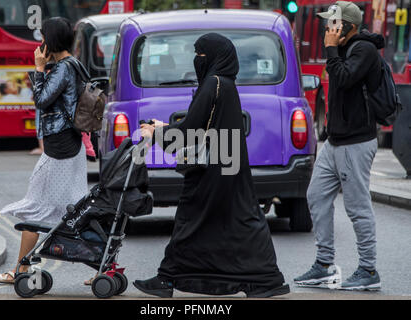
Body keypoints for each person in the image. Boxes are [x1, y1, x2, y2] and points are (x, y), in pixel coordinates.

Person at [134, 33, 289, 298]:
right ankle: (264, 278)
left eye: (201, 55)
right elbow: (203, 125)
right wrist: (165, 127)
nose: (197, 60)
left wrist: (155, 134)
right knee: (238, 220)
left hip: (210, 170)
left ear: (214, 57)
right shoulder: (226, 84)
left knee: (191, 220)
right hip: (227, 164)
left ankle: (168, 278)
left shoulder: (212, 84)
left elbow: (191, 129)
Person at [0, 17, 88, 284]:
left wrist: (38, 68)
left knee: (35, 211)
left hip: (59, 149)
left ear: (52, 40)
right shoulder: (74, 65)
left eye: (43, 37)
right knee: (74, 208)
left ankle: (21, 271)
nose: (40, 43)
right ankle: (104, 266)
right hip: (70, 145)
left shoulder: (63, 68)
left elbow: (42, 101)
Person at [294, 1, 383, 291]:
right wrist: (334, 50)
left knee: (357, 208)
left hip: (356, 142)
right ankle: (324, 264)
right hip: (335, 142)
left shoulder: (364, 49)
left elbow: (344, 78)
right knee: (316, 197)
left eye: (333, 24)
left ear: (349, 27)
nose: (327, 29)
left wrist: (331, 49)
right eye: (328, 24)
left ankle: (368, 270)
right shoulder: (344, 50)